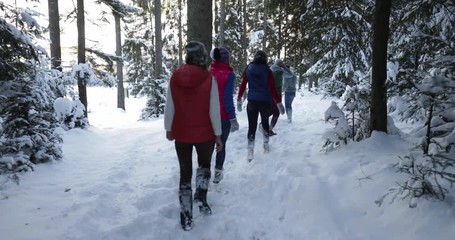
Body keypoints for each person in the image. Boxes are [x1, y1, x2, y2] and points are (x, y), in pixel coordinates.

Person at [164, 41, 223, 231]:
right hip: (204, 134)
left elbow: (169, 105)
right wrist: (218, 135)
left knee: (185, 173)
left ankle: (186, 215)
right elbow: (214, 109)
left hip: (181, 134)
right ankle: (201, 199)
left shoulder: (175, 77)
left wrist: (169, 128)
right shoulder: (209, 78)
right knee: (204, 167)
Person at [237, 50, 284, 162]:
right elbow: (273, 89)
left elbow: (243, 85)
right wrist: (278, 103)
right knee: (265, 124)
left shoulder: (248, 69)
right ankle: (266, 145)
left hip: (252, 102)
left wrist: (239, 99)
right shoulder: (268, 71)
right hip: (265, 102)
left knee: (252, 127)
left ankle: (250, 152)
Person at [209, 47, 239, 184]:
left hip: (208, 116)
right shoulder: (229, 74)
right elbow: (227, 98)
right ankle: (217, 173)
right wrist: (233, 118)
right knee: (222, 145)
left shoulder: (208, 72)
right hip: (223, 117)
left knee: (209, 145)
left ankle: (205, 172)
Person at [266, 58, 285, 135]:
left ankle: (264, 125)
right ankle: (269, 129)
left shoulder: (270, 70)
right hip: (276, 95)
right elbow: (277, 84)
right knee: (276, 112)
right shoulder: (279, 71)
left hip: (269, 95)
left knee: (271, 111)